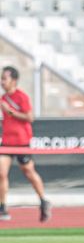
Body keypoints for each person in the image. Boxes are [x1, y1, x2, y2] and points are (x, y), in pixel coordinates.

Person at [0, 66, 51, 222]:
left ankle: (43, 200)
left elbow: (30, 117)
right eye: (1, 79)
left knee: (29, 172)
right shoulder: (2, 99)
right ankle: (2, 207)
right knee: (1, 173)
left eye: (4, 79)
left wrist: (11, 112)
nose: (2, 82)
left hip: (21, 141)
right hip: (7, 141)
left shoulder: (21, 97)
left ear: (14, 81)